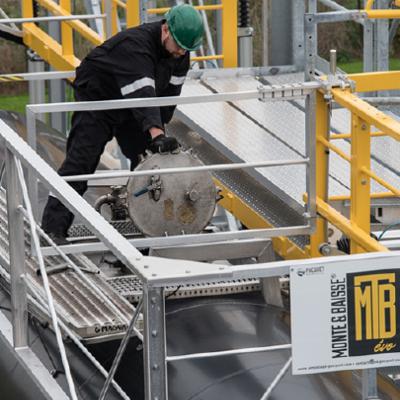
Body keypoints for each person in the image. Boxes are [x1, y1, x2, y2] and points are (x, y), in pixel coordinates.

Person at [41, 4, 204, 244]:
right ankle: (52, 231)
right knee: (80, 163)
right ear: (166, 29)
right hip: (98, 100)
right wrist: (156, 134)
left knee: (149, 164)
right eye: (179, 45)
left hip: (131, 106)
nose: (181, 52)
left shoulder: (180, 52)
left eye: (186, 49)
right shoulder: (135, 46)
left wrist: (160, 136)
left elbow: (168, 96)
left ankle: (150, 225)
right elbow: (143, 94)